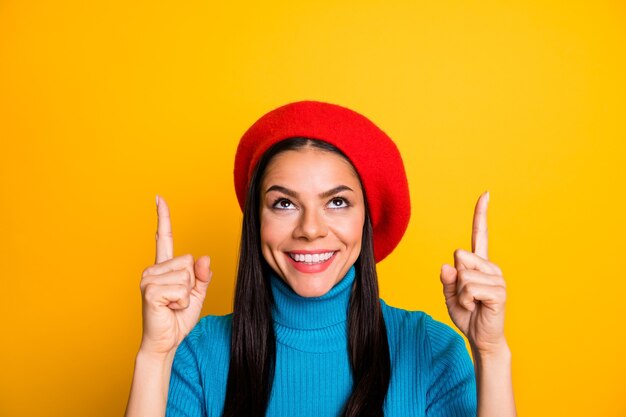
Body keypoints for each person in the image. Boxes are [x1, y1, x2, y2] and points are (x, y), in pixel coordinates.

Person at [124, 101, 517, 417]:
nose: (311, 229)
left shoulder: (431, 350)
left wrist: (491, 352)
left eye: (337, 202)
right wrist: (155, 355)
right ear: (256, 222)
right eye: (284, 203)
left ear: (367, 218)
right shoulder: (197, 353)